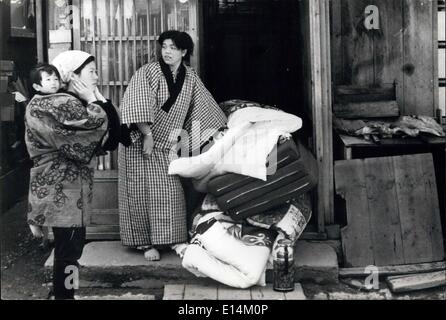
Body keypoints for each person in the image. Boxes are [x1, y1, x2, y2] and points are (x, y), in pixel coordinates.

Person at [119, 30, 227, 261]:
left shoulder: (190, 77)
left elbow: (203, 107)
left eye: (173, 48)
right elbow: (137, 101)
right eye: (164, 46)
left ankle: (173, 239)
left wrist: (218, 131)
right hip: (140, 140)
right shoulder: (148, 72)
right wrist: (146, 133)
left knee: (170, 191)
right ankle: (144, 243)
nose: (166, 52)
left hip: (166, 144)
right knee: (139, 192)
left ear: (184, 52)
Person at [25, 50, 121, 299]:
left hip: (69, 188)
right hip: (62, 188)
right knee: (68, 251)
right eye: (91, 72)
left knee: (71, 250)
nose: (97, 76)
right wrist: (94, 100)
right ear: (73, 76)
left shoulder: (65, 101)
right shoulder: (57, 103)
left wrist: (95, 98)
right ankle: (65, 296)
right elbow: (94, 131)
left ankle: (68, 294)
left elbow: (112, 134)